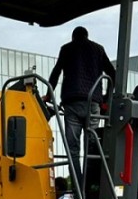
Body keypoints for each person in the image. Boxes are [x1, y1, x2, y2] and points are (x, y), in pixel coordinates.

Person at [47, 26, 116, 189]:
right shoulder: (98, 49)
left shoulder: (67, 49)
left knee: (73, 150)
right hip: (93, 103)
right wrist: (107, 98)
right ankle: (89, 188)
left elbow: (56, 72)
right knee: (91, 147)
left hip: (72, 103)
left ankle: (78, 189)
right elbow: (113, 74)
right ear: (87, 35)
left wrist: (48, 95)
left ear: (73, 37)